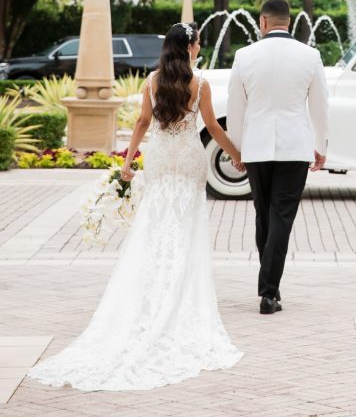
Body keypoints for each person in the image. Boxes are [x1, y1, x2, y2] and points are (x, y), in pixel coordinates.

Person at [28, 22, 244, 391]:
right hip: (188, 158)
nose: (197, 48)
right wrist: (235, 154)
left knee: (154, 222)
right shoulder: (201, 82)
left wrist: (128, 161)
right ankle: (178, 288)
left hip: (160, 158)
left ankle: (150, 285)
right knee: (186, 225)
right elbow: (210, 125)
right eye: (196, 43)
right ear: (190, 46)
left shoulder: (153, 80)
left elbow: (143, 122)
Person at [227, 0, 329, 314]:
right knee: (281, 216)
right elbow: (321, 105)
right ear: (290, 21)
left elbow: (235, 107)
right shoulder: (310, 56)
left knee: (263, 214)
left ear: (263, 21)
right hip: (295, 145)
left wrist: (237, 147)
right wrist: (321, 145)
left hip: (256, 146)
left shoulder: (244, 56)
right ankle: (269, 291)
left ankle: (269, 288)